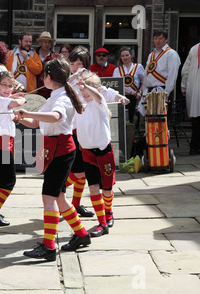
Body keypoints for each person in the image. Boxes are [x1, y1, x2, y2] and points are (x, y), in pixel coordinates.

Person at [14, 58, 91, 259]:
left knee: (49, 197)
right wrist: (22, 117)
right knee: (59, 197)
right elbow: (38, 122)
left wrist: (28, 112)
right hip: (55, 150)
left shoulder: (62, 98)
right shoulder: (55, 96)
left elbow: (56, 117)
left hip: (60, 151)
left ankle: (49, 247)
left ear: (48, 77)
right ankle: (82, 234)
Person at [74, 70, 116, 237]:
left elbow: (98, 97)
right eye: (82, 90)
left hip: (103, 151)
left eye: (88, 89)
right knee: (93, 188)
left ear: (97, 89)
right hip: (87, 152)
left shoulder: (100, 103)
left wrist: (88, 86)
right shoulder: (79, 106)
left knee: (107, 188)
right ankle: (102, 223)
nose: (85, 93)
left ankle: (109, 212)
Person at [0, 71, 26, 226]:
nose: (8, 89)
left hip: (3, 144)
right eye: (5, 85)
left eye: (11, 86)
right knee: (9, 181)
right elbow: (16, 103)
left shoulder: (1, 99)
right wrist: (19, 98)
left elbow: (9, 107)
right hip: (0, 145)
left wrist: (12, 112)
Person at [138, 30, 181, 116]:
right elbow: (147, 74)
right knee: (150, 122)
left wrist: (166, 93)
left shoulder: (171, 54)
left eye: (160, 38)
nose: (158, 41)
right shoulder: (151, 55)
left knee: (160, 122)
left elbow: (172, 75)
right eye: (156, 38)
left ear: (166, 40)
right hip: (149, 93)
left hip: (162, 92)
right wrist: (144, 92)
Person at [113, 47, 144, 127]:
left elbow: (144, 82)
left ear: (131, 55)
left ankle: (133, 137)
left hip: (134, 98)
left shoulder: (138, 67)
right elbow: (117, 86)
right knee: (122, 120)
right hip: (121, 97)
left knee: (133, 119)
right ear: (120, 57)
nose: (125, 57)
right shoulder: (117, 70)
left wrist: (139, 92)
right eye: (122, 56)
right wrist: (130, 92)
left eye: (127, 55)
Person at [181, 41, 200, 155]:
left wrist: (184, 87)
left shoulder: (194, 49)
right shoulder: (194, 49)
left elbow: (185, 71)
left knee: (196, 120)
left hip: (194, 91)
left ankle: (194, 147)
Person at [35, 31, 60, 98]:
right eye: (45, 42)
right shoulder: (33, 55)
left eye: (49, 42)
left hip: (50, 91)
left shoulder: (55, 57)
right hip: (35, 91)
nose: (47, 44)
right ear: (40, 42)